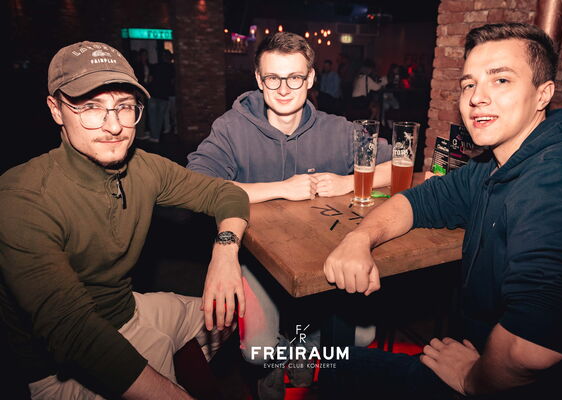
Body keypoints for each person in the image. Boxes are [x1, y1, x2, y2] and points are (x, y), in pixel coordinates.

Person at [321, 23, 562, 399]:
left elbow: (532, 348)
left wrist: (473, 379)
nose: (477, 98)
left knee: (339, 368)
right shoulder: (496, 164)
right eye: (469, 84)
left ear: (542, 94)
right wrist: (359, 238)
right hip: (480, 355)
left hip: (516, 382)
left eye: (501, 80)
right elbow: (417, 201)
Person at [0, 41, 250, 400]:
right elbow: (75, 334)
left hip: (127, 310)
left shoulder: (143, 166)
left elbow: (226, 194)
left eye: (124, 106)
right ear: (56, 110)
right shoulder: (21, 197)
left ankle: (179, 366)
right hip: (62, 370)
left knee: (236, 311)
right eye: (91, 107)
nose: (114, 126)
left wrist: (224, 254)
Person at [187, 32, 392, 399]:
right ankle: (281, 359)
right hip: (258, 262)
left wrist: (347, 181)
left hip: (322, 258)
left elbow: (399, 162)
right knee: (258, 351)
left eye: (295, 77)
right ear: (258, 79)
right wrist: (281, 188)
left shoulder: (336, 129)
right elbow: (196, 187)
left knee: (360, 337)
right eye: (273, 78)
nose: (284, 89)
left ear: (310, 78)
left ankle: (304, 349)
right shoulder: (232, 128)